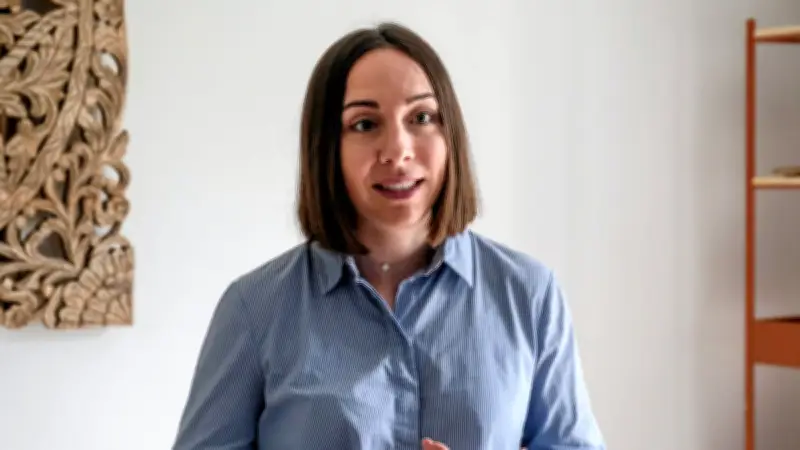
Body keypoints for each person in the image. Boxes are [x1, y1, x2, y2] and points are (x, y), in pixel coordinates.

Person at [172, 21, 605, 450]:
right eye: (364, 124)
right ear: (327, 146)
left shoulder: (529, 294)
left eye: (421, 118)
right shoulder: (254, 309)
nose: (398, 150)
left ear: (450, 134)